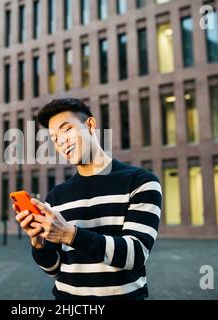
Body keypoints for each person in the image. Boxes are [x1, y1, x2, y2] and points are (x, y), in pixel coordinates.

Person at [14, 98, 162, 300]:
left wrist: (70, 235)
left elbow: (135, 255)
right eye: (55, 138)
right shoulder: (57, 196)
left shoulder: (141, 182)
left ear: (90, 125)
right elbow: (54, 269)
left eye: (67, 130)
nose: (61, 142)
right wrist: (39, 244)